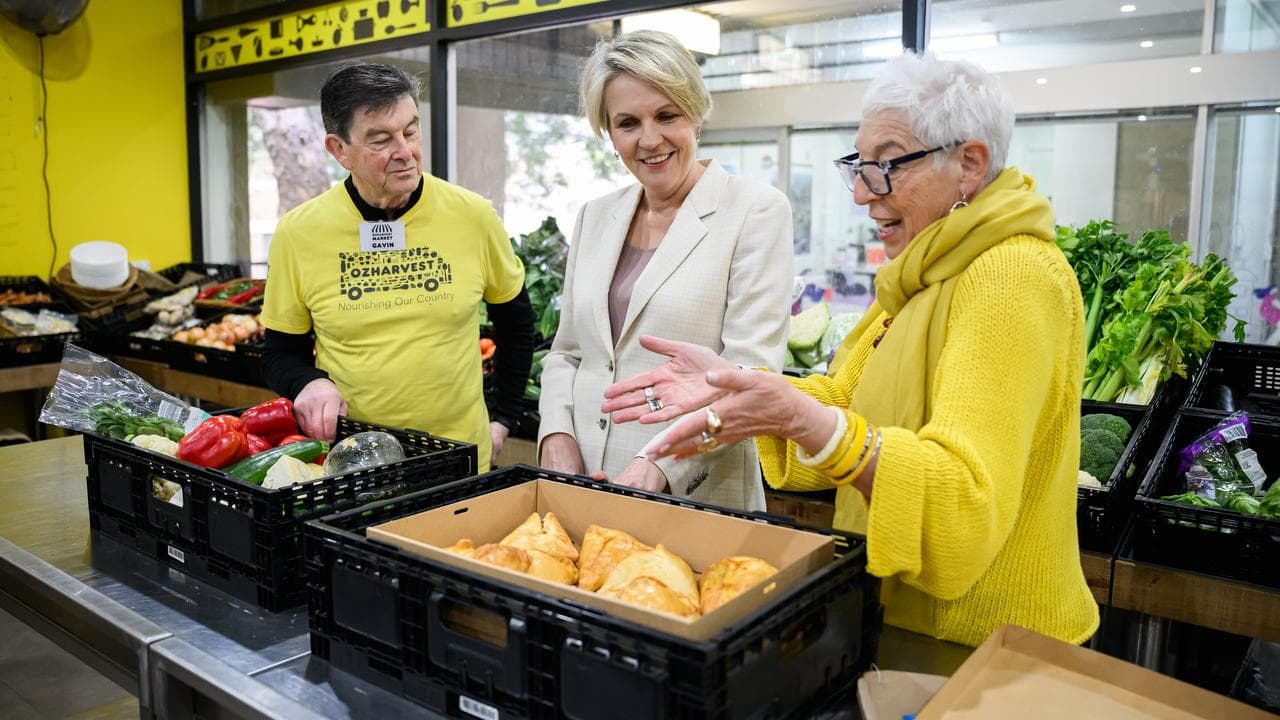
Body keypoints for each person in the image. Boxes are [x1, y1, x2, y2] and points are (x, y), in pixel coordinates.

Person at [601, 52, 1098, 648]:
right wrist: (747, 393)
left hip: (987, 644)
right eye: (858, 167)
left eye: (887, 167)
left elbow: (963, 493)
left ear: (969, 164)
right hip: (906, 617)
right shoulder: (923, 271)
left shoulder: (1010, 275)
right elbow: (844, 398)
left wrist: (806, 421)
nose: (862, 194)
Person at [537, 30, 793, 512]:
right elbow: (567, 352)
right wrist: (555, 434)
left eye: (667, 115)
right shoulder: (595, 215)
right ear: (609, 134)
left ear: (695, 113)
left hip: (695, 494)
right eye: (627, 123)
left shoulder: (754, 212)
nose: (650, 140)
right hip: (585, 483)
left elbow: (748, 375)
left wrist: (658, 466)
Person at [260, 63, 535, 470]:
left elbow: (517, 323)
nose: (405, 152)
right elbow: (280, 353)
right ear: (338, 150)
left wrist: (504, 417)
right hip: (355, 463)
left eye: (410, 130)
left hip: (458, 457)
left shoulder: (473, 216)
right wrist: (308, 382)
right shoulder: (299, 233)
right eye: (380, 139)